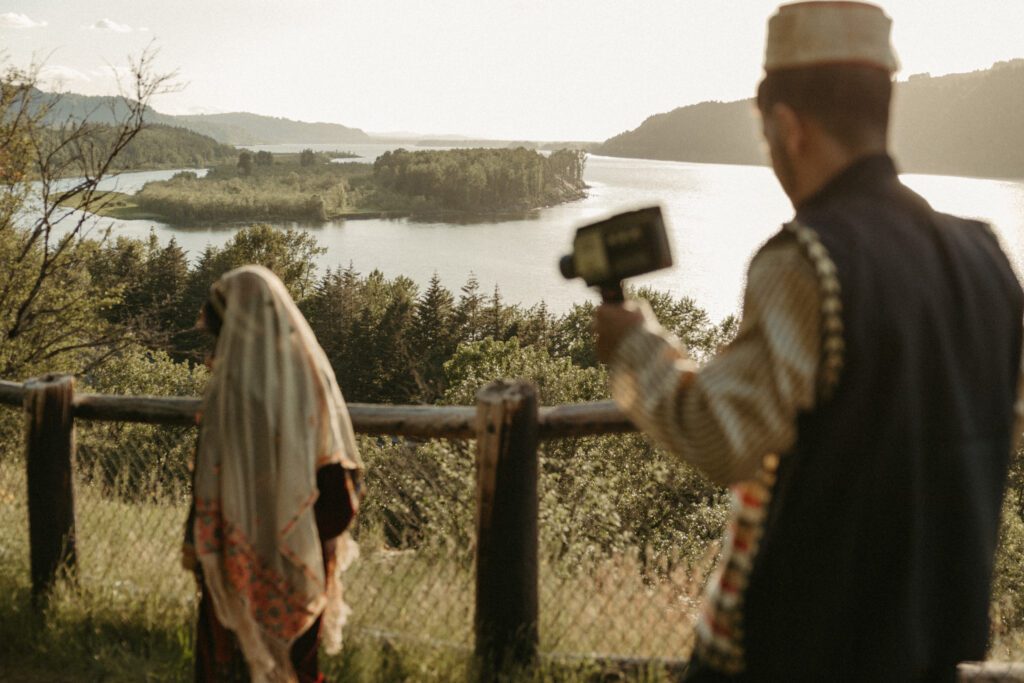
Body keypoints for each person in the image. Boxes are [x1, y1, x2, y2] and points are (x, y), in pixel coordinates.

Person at [595, 2, 1024, 681]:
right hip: (931, 648)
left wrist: (635, 344)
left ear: (787, 127)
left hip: (799, 652)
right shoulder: (987, 257)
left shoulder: (805, 261)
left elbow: (721, 437)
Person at [182, 265, 364, 683]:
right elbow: (338, 487)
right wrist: (308, 536)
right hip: (296, 554)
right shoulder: (311, 385)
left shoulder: (229, 393)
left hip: (235, 558)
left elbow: (207, 481)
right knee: (293, 667)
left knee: (228, 661)